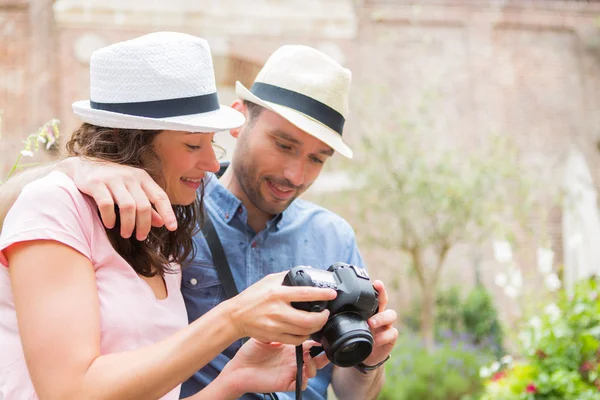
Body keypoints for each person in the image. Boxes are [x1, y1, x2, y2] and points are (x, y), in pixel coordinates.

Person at [0, 44, 399, 399]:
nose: (296, 174)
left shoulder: (171, 222)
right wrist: (77, 166)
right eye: (283, 145)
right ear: (241, 119)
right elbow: (73, 388)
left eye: (317, 158)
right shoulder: (155, 206)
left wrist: (368, 361)